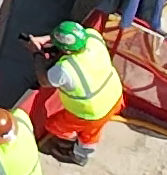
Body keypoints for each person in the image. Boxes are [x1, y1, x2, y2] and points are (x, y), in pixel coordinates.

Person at [25, 20, 124, 165]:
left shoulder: (66, 69)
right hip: (114, 96)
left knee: (58, 127)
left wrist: (37, 53)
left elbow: (44, 81)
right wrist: (47, 39)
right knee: (93, 131)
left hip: (91, 113)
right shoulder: (92, 37)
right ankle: (82, 146)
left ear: (67, 51)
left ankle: (79, 155)